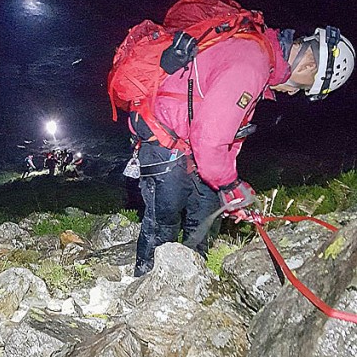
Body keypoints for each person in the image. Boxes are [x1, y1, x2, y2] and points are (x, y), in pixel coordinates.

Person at [132, 23, 355, 276]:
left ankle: (191, 281)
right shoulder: (251, 64)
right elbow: (211, 138)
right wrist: (229, 185)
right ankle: (145, 283)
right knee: (164, 223)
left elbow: (227, 135)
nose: (294, 93)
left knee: (206, 214)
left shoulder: (261, 59)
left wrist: (232, 188)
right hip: (164, 138)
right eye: (304, 87)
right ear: (308, 66)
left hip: (190, 144)